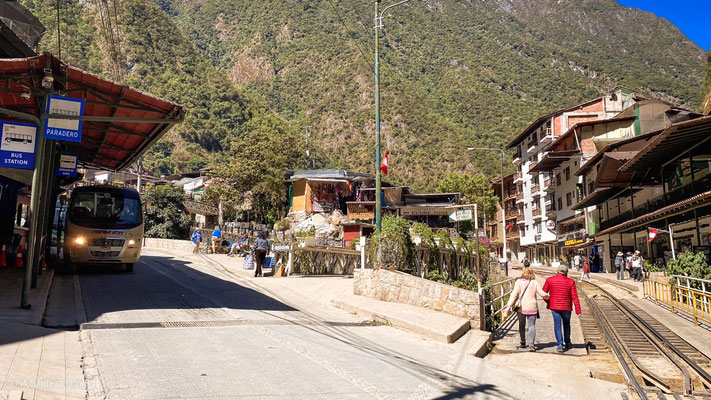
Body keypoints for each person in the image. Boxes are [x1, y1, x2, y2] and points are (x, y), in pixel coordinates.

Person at [503, 267, 550, 352]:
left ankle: (523, 342)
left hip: (521, 308)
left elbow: (514, 294)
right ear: (532, 273)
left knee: (521, 325)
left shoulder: (518, 282)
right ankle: (531, 344)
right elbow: (542, 293)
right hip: (532, 307)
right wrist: (550, 296)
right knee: (531, 325)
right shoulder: (534, 282)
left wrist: (509, 305)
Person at [543, 265, 582, 353]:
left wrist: (549, 303)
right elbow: (575, 297)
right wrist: (578, 310)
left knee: (557, 325)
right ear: (566, 272)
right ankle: (567, 342)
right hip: (567, 307)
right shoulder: (570, 281)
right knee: (567, 324)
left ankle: (560, 344)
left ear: (557, 271)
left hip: (554, 307)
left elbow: (544, 294)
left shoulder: (549, 280)